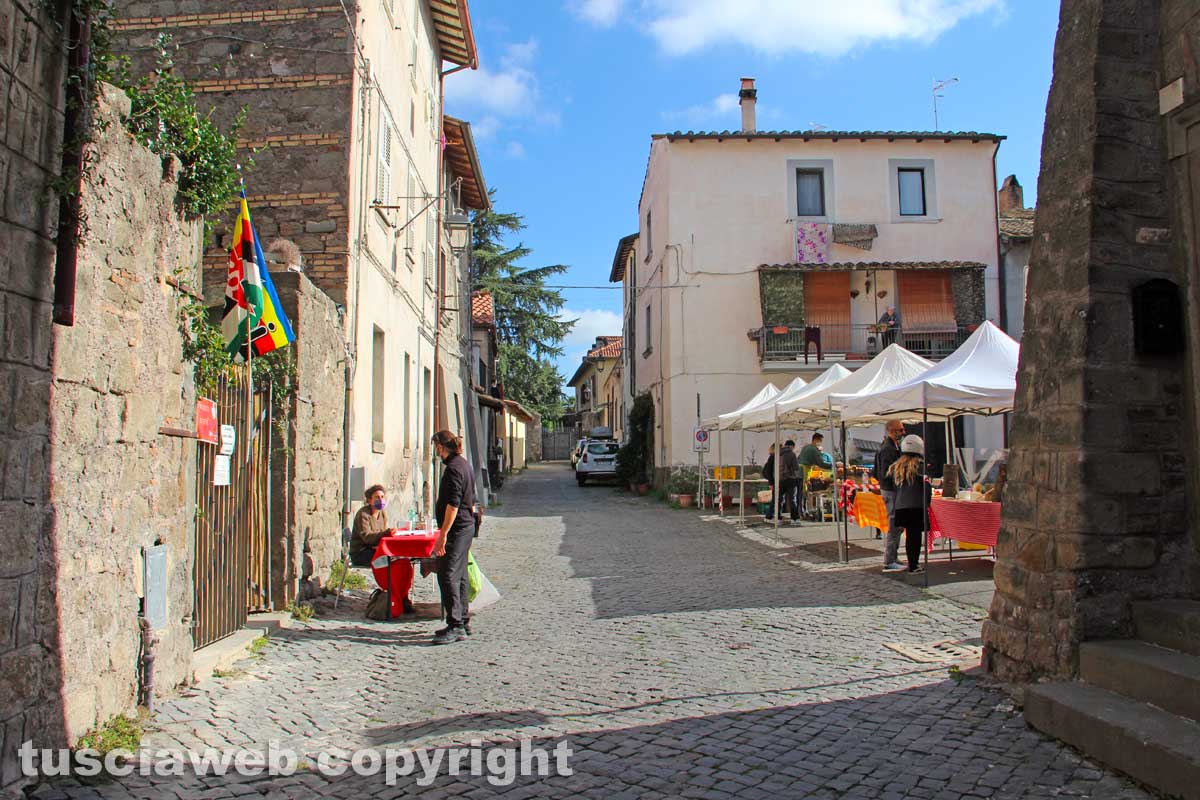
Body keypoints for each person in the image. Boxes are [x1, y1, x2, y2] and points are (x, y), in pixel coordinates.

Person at [431, 430, 477, 644]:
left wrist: (443, 535)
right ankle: (463, 621)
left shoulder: (453, 469)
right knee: (460, 575)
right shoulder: (463, 464)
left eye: (436, 447)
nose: (435, 451)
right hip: (466, 526)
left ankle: (456, 625)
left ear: (441, 447)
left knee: (447, 573)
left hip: (458, 528)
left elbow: (453, 505)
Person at [350, 484, 414, 616]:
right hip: (362, 553)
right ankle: (393, 597)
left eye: (382, 497)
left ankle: (403, 596)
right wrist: (386, 533)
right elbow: (367, 537)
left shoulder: (382, 514)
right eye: (377, 497)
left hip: (376, 550)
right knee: (392, 564)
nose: (380, 499)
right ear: (369, 500)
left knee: (404, 562)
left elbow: (381, 537)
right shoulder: (363, 515)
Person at [888, 435, 931, 574]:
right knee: (915, 537)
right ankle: (913, 564)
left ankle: (911, 563)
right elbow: (926, 487)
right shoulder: (920, 466)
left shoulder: (897, 466)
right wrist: (927, 503)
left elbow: (893, 486)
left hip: (901, 506)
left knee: (909, 536)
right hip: (916, 506)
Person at [874, 421, 906, 568]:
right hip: (891, 490)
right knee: (894, 525)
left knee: (897, 525)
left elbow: (877, 472)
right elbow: (885, 472)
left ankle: (893, 557)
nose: (903, 432)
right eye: (901, 430)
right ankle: (889, 560)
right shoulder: (888, 449)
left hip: (891, 489)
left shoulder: (892, 446)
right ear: (892, 431)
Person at [779, 440, 801, 523]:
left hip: (780, 479)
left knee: (780, 499)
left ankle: (778, 517)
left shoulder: (778, 453)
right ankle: (795, 518)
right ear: (792, 446)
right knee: (792, 499)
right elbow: (796, 467)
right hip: (791, 479)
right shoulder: (792, 454)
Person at [762, 443, 777, 520]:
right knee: (775, 499)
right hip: (774, 480)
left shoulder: (773, 456)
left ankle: (771, 515)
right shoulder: (773, 457)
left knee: (776, 499)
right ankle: (769, 515)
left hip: (774, 480)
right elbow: (769, 471)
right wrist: (771, 483)